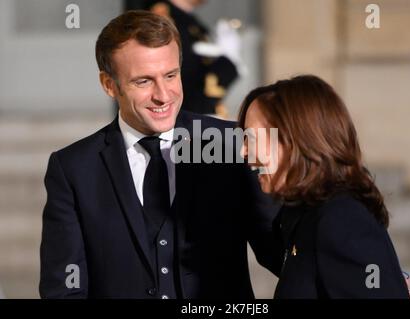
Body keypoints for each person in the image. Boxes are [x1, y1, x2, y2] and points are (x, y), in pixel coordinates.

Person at [39, 11, 282, 299]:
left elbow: (284, 254)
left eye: (171, 75)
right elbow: (64, 290)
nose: (163, 95)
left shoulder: (229, 144)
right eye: (143, 82)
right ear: (109, 84)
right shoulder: (73, 169)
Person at [238, 75, 410, 298]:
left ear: (295, 139)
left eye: (250, 138)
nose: (243, 151)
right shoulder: (304, 214)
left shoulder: (341, 220)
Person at [124, 0, 241, 117]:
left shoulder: (187, 19)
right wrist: (226, 63)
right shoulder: (163, 15)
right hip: (179, 117)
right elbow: (177, 71)